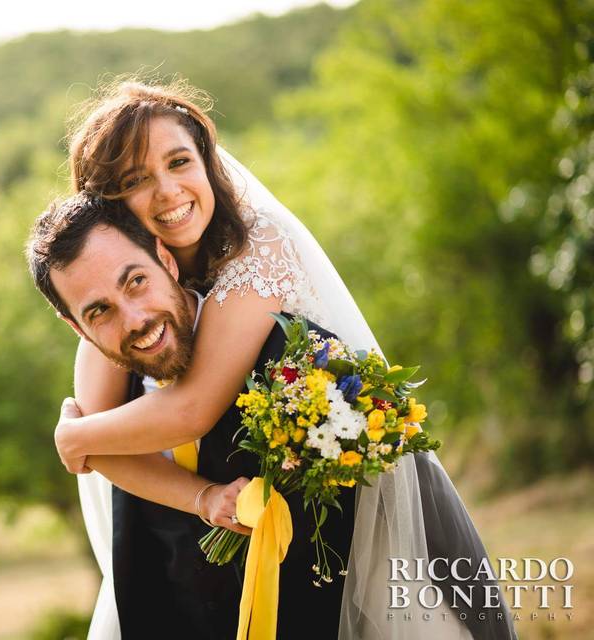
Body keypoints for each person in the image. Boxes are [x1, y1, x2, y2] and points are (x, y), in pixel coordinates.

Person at [52, 79, 514, 639]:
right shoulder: (120, 305)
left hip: (349, 493)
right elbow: (105, 446)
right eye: (136, 181)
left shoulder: (258, 249)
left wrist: (76, 439)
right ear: (108, 207)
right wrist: (192, 494)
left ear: (206, 161)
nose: (168, 191)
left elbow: (189, 410)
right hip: (208, 538)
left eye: (179, 162)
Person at [27, 192, 356, 638]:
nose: (137, 319)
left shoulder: (291, 359)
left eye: (136, 281)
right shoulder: (104, 397)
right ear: (76, 327)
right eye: (100, 311)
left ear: (166, 258)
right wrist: (204, 499)